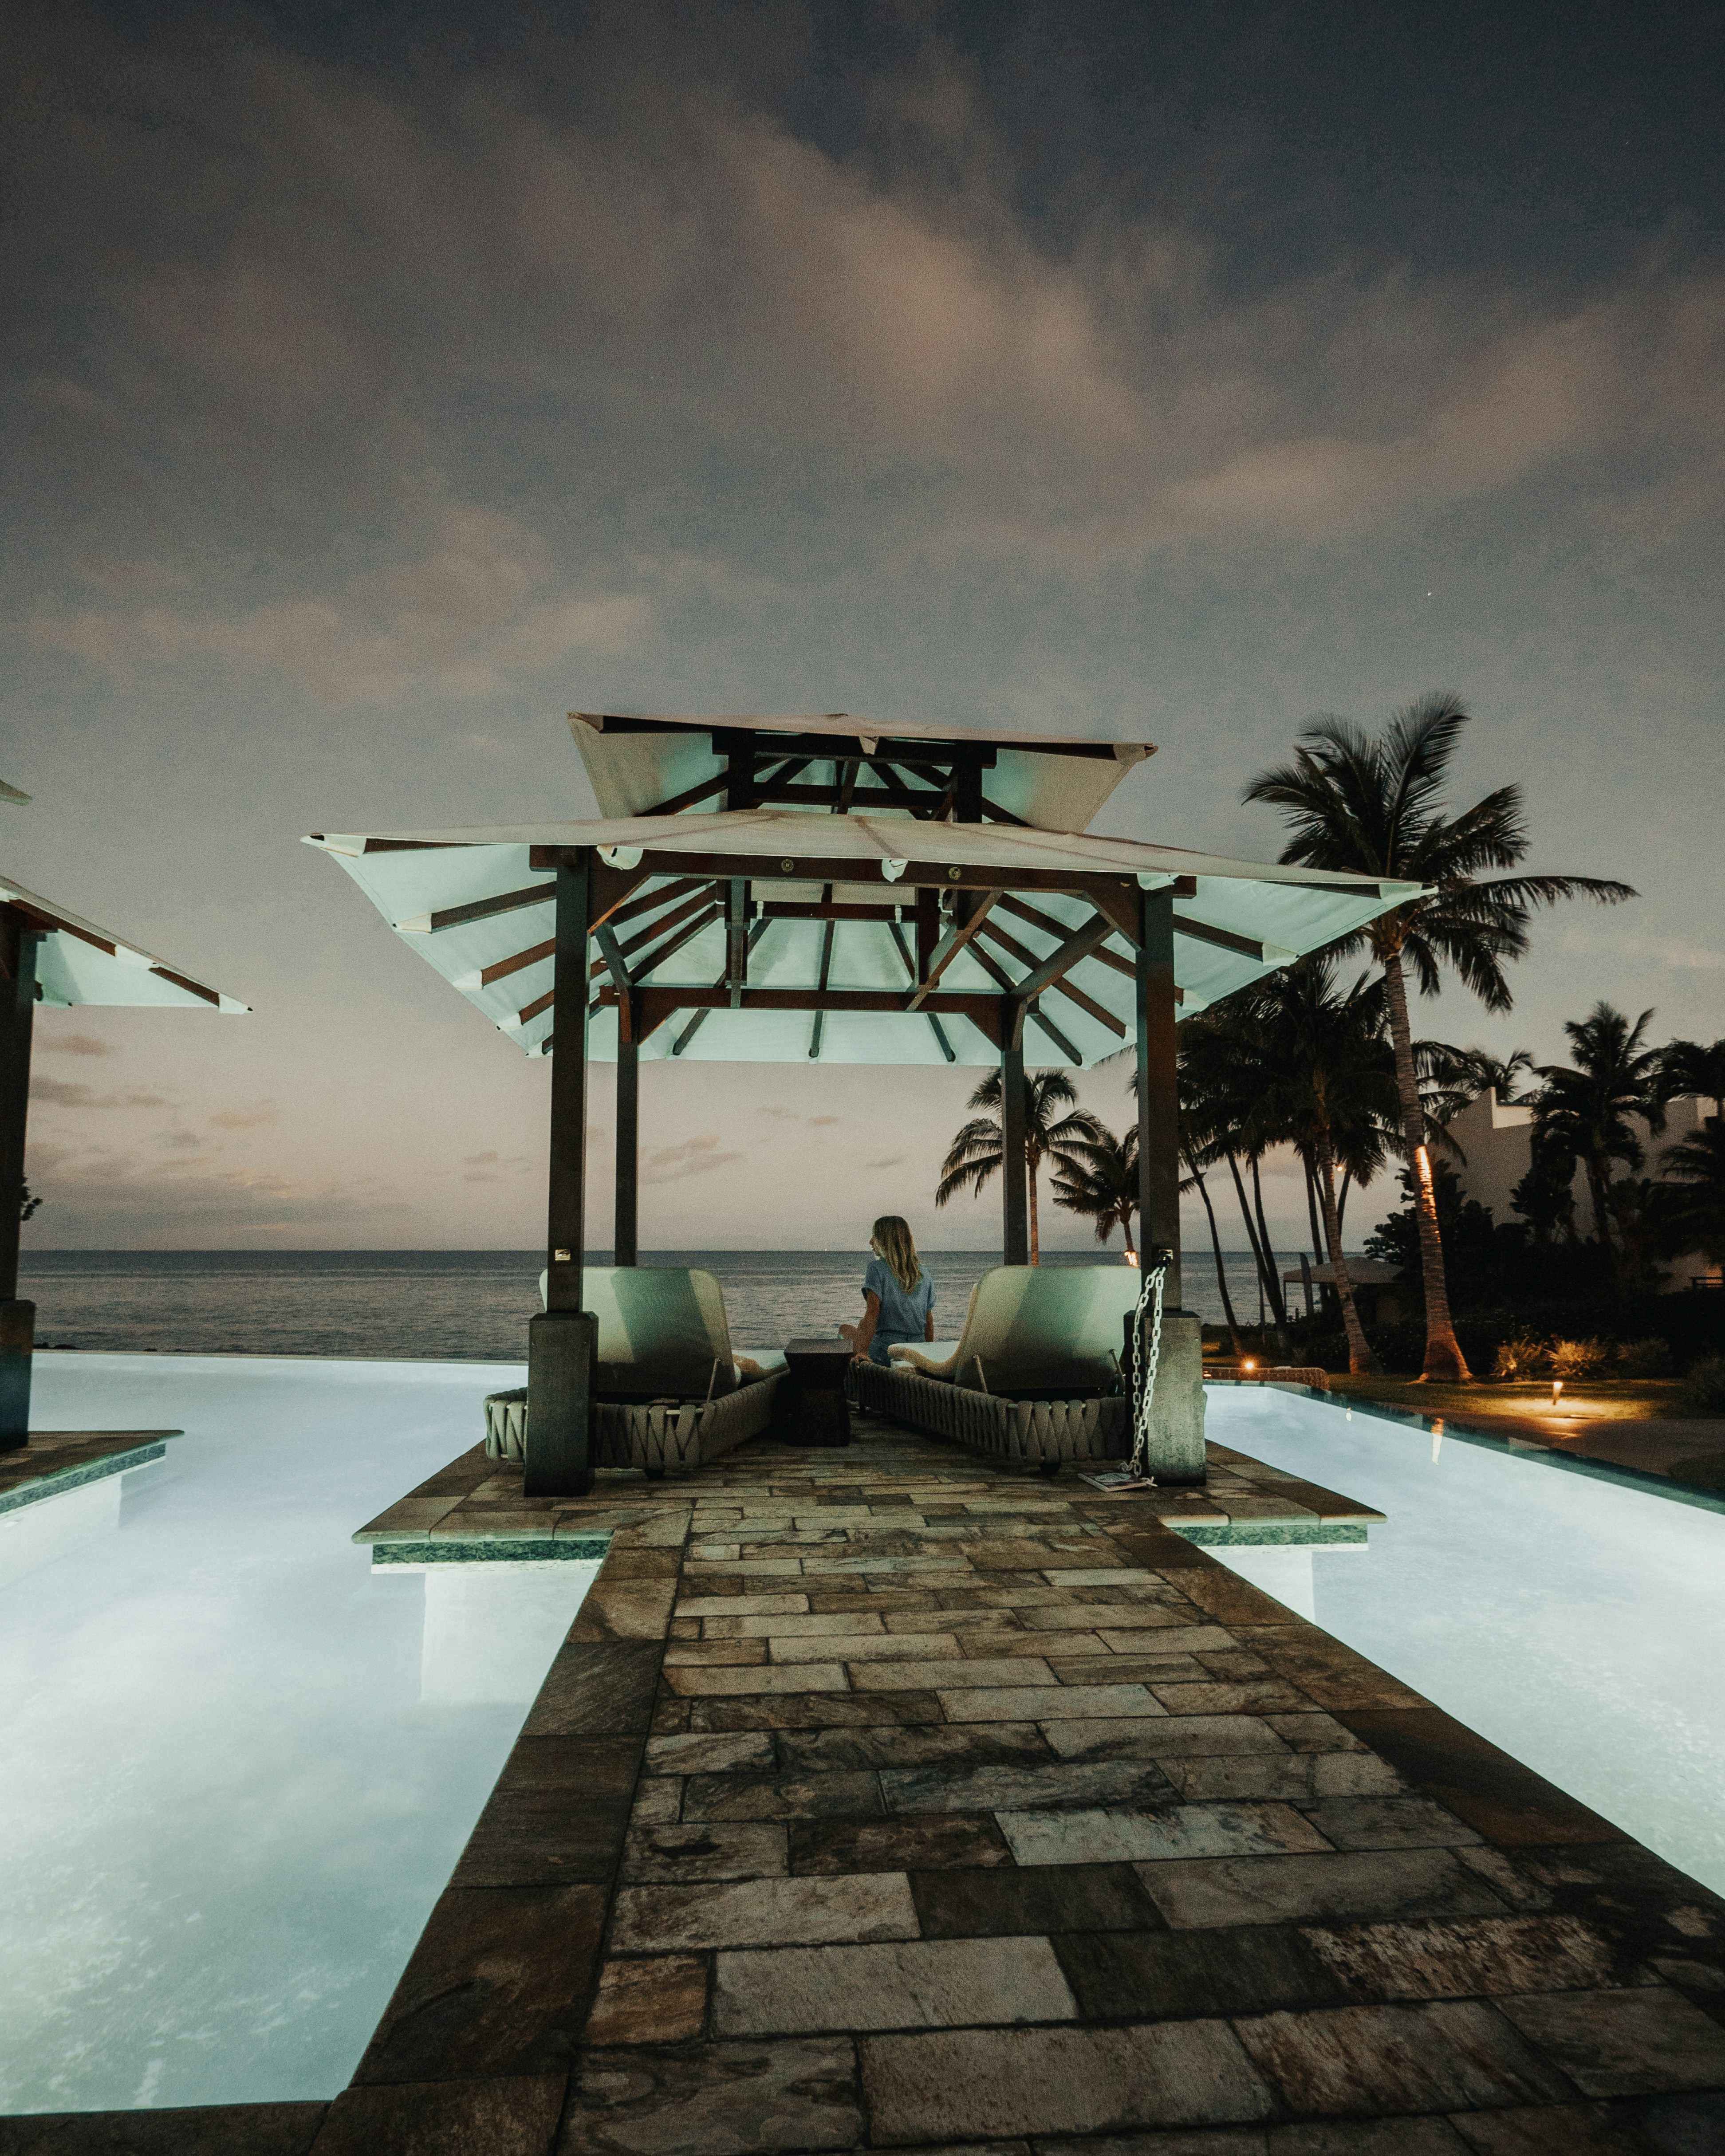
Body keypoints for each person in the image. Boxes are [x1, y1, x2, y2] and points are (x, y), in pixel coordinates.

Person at [843, 1215, 936, 1367]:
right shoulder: (924, 1273)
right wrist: (929, 1356)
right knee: (858, 1327)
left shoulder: (876, 1269)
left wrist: (863, 1353)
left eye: (875, 1236)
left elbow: (873, 1313)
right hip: (917, 1350)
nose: (871, 1241)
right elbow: (929, 1322)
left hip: (886, 1350)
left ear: (886, 1240)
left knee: (845, 1331)